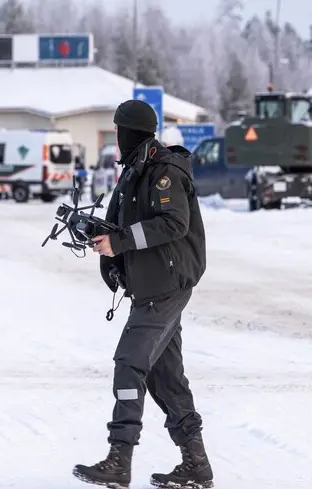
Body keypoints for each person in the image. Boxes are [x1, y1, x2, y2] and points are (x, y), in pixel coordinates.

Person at [73, 100, 212, 489]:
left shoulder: (163, 171)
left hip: (166, 285)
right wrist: (98, 233)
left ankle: (119, 458)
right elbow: (127, 224)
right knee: (166, 379)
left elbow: (173, 222)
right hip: (151, 283)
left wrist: (118, 241)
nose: (116, 139)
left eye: (118, 131)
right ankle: (196, 466)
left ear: (129, 133)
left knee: (129, 363)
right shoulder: (134, 171)